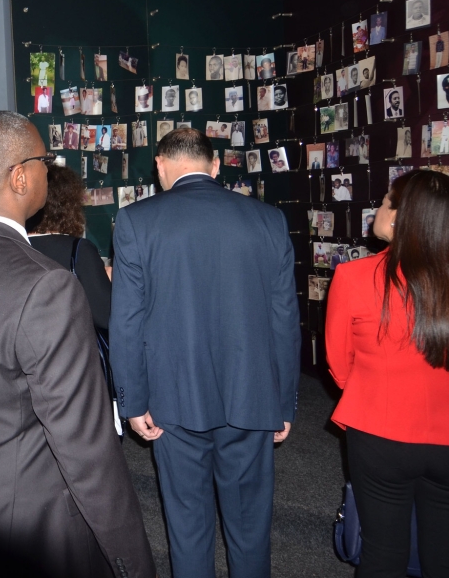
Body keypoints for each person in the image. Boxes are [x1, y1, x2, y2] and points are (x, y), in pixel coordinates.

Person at [0, 111, 154, 578]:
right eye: (44, 159)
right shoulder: (47, 286)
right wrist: (133, 561)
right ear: (21, 177)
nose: (50, 168)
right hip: (37, 525)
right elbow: (86, 450)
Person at [112, 127, 299, 578]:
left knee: (187, 525)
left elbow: (127, 323)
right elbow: (284, 320)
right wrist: (285, 400)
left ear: (160, 167)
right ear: (215, 166)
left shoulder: (136, 221)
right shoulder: (268, 219)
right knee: (251, 528)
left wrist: (132, 401)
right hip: (252, 397)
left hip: (173, 399)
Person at [325, 170, 449, 576]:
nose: (379, 207)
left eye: (387, 199)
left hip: (379, 435)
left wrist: (376, 391)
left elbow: (340, 367)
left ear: (400, 216)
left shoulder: (353, 277)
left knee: (381, 555)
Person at [27, 165, 112, 331]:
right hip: (69, 351)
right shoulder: (79, 250)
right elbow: (105, 315)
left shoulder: (11, 245)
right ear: (69, 207)